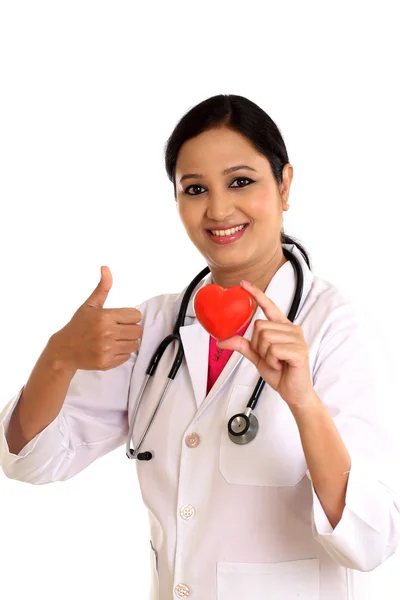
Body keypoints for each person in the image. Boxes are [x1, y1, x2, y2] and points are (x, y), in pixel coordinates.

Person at [1, 94, 399, 600]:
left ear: (284, 185)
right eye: (194, 189)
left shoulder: (334, 327)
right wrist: (57, 358)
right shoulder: (156, 326)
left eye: (241, 182)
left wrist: (303, 402)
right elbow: (31, 460)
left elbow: (371, 540)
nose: (217, 208)